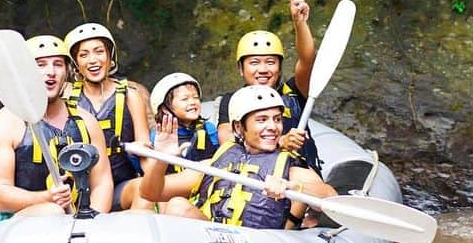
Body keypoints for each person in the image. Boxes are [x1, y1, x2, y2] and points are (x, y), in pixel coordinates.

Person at [141, 85, 336, 229]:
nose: (272, 127)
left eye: (277, 119)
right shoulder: (216, 163)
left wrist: (293, 187)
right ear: (238, 127)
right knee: (177, 206)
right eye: (261, 120)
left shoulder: (290, 169)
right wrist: (160, 160)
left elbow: (331, 198)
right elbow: (151, 193)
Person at [0, 35, 113, 217]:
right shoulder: (3, 125)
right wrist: (47, 197)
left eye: (58, 64)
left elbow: (102, 182)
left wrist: (93, 218)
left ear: (67, 71)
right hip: (16, 222)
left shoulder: (86, 121)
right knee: (52, 211)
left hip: (78, 223)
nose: (51, 72)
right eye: (40, 65)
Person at [216, 0, 320, 169]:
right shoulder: (232, 101)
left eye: (270, 62)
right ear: (241, 68)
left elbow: (307, 60)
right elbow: (227, 142)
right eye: (254, 63)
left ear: (280, 68)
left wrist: (299, 23)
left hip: (299, 172)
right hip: (255, 178)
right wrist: (279, 142)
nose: (263, 69)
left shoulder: (294, 91)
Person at [64, 22, 152, 211]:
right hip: (77, 188)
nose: (92, 60)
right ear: (75, 63)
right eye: (84, 55)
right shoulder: (66, 98)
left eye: (99, 51)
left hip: (121, 185)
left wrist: (156, 179)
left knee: (143, 191)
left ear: (110, 56)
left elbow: (145, 148)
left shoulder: (131, 95)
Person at [148, 72, 218, 172]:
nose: (193, 102)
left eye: (196, 97)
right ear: (165, 108)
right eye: (185, 99)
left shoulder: (209, 129)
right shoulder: (158, 137)